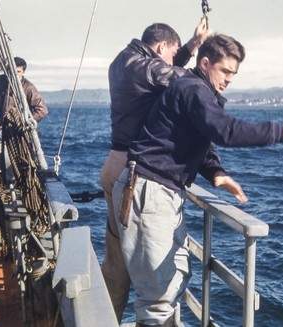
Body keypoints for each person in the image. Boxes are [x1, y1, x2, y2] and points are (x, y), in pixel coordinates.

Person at [112, 34, 283, 326]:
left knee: (175, 276)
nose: (230, 79)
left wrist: (216, 173)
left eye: (234, 73)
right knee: (158, 297)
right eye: (225, 71)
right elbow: (226, 131)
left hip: (161, 193)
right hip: (149, 192)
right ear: (205, 63)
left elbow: (204, 138)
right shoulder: (194, 89)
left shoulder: (196, 91)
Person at [100, 18, 214, 322]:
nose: (170, 60)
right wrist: (208, 71)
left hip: (116, 165)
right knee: (133, 273)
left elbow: (164, 65)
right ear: (161, 46)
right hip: (131, 173)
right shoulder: (139, 66)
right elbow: (171, 76)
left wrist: (193, 44)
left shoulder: (124, 61)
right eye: (170, 53)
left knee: (118, 264)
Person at [0, 56, 48, 125]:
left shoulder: (28, 87)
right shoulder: (0, 82)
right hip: (3, 127)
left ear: (23, 72)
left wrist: (25, 122)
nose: (14, 75)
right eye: (12, 71)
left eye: (18, 72)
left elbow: (42, 110)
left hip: (20, 129)